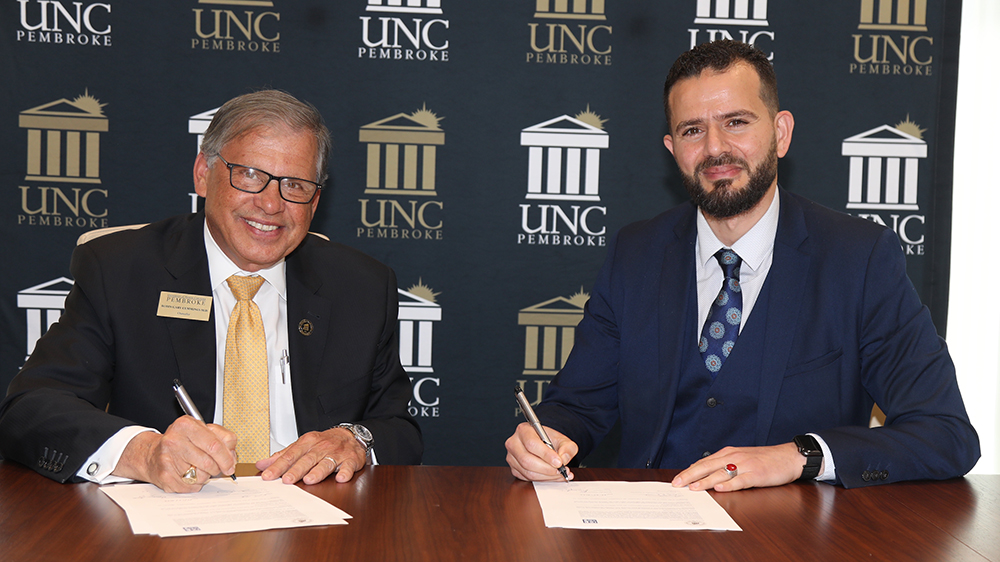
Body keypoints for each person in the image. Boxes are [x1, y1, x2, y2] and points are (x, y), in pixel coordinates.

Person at [505, 40, 979, 490]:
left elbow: (945, 434)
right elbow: (578, 408)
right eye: (693, 130)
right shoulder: (636, 253)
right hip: (647, 532)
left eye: (736, 122)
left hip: (795, 537)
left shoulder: (859, 259)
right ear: (673, 150)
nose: (715, 148)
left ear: (780, 133)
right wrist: (544, 439)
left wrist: (799, 456)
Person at [0, 90, 422, 492]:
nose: (272, 205)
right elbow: (31, 408)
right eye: (251, 175)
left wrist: (356, 440)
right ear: (203, 174)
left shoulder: (362, 286)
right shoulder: (121, 270)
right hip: (170, 518)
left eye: (294, 184)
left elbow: (398, 428)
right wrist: (144, 453)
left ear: (314, 202)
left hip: (318, 515)